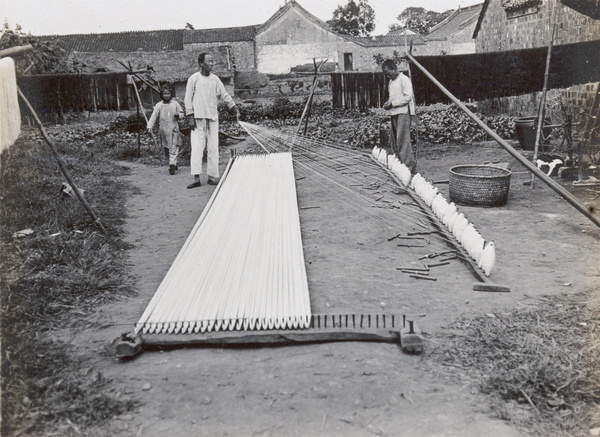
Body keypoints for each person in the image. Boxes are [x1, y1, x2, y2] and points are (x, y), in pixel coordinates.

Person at [184, 53, 240, 188]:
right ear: (201, 63)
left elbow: (224, 94)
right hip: (198, 118)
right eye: (209, 61)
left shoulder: (215, 79)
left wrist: (233, 106)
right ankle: (196, 178)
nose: (212, 64)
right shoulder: (194, 78)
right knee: (197, 147)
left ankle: (212, 176)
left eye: (213, 61)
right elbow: (188, 98)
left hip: (213, 117)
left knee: (213, 147)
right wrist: (190, 116)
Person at [381, 58, 416, 171]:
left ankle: (408, 167)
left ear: (394, 68)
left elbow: (408, 97)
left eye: (388, 73)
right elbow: (392, 97)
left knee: (403, 141)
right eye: (386, 75)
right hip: (394, 113)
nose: (388, 76)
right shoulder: (391, 82)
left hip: (403, 113)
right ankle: (400, 164)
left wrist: (393, 104)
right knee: (395, 140)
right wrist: (388, 103)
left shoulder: (404, 79)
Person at [147, 88, 184, 175]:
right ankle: (173, 162)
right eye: (164, 94)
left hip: (174, 128)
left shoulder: (175, 104)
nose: (166, 95)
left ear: (171, 94)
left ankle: (172, 165)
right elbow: (154, 116)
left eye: (168, 93)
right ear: (161, 95)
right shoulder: (159, 105)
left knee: (173, 146)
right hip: (163, 130)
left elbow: (181, 113)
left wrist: (178, 115)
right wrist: (150, 126)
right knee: (166, 148)